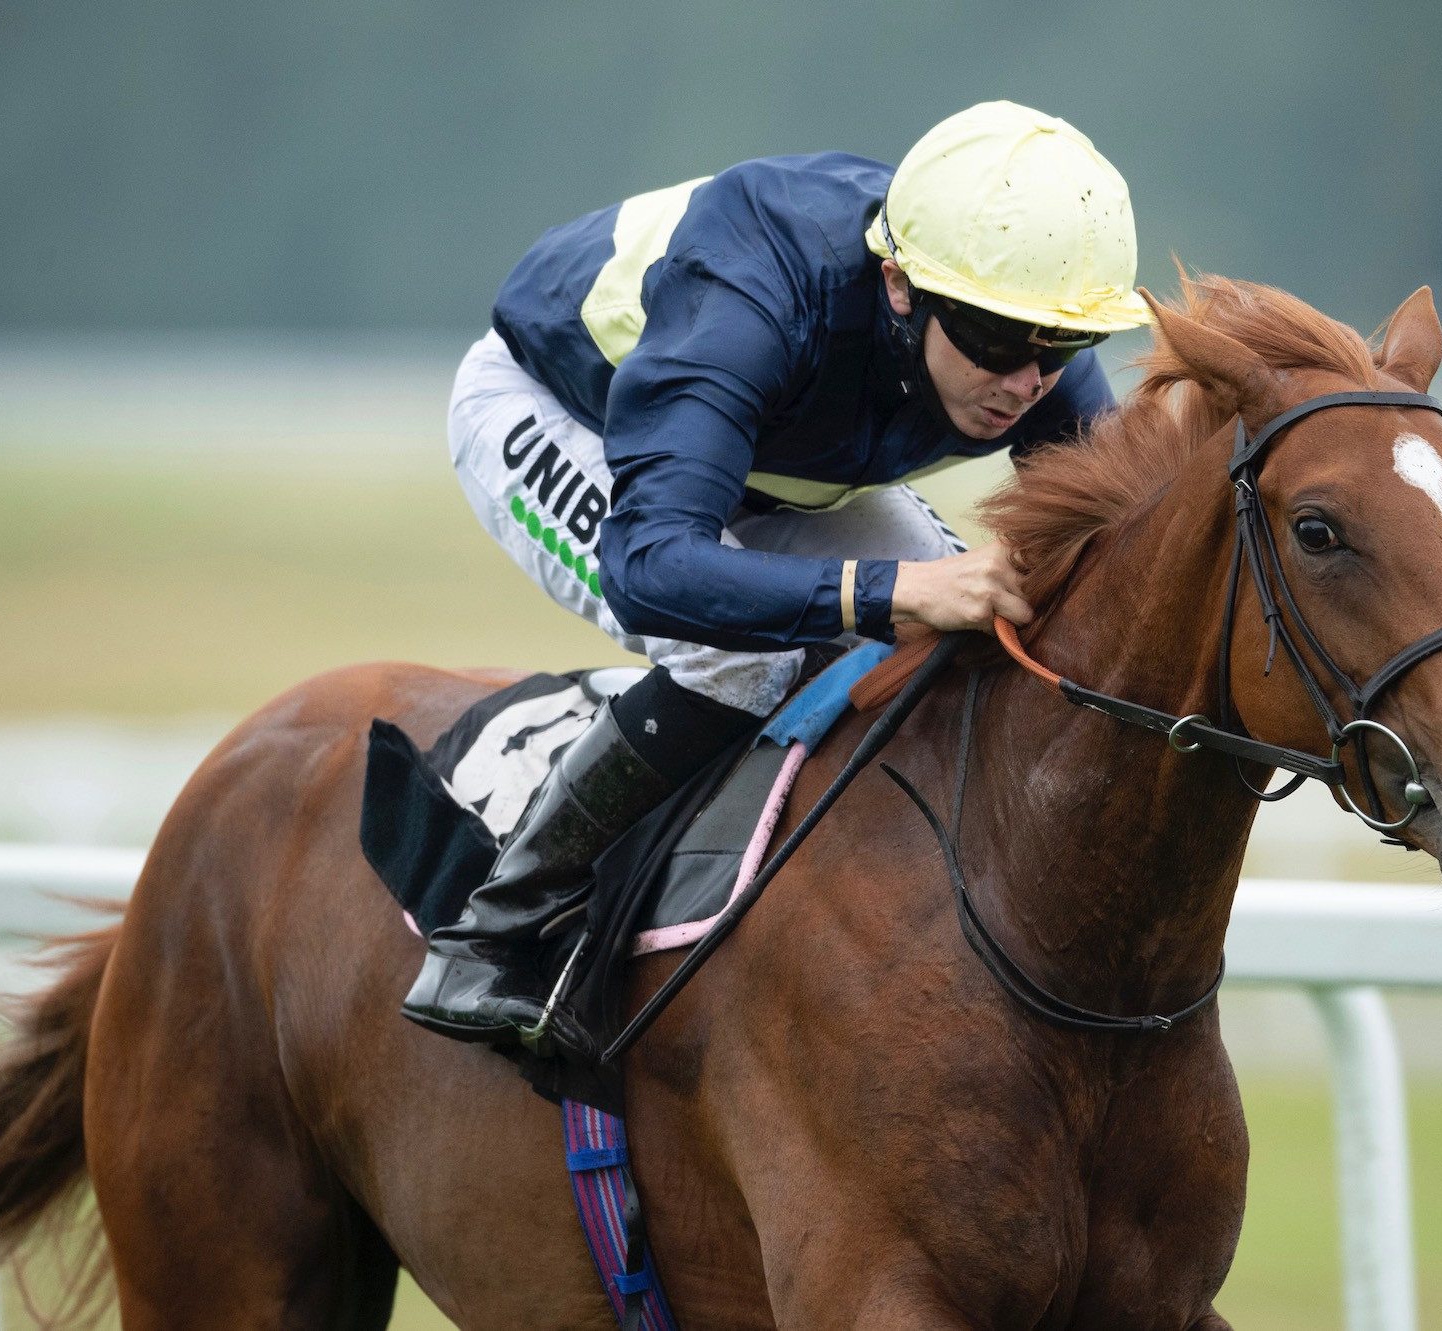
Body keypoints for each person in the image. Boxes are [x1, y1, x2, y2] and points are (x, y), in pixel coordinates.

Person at [403, 100, 1151, 1049]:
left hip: (759, 454)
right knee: (742, 658)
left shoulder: (1019, 333)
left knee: (967, 619)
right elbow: (652, 565)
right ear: (899, 286)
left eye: (1061, 347)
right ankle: (492, 933)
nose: (1027, 383)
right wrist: (886, 593)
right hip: (566, 414)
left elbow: (1129, 539)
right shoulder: (750, 296)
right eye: (1001, 343)